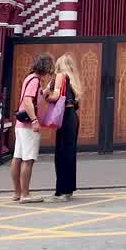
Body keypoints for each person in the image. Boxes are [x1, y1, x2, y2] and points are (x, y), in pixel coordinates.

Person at [11, 53, 53, 204]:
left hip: (20, 125)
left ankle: (17, 192)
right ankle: (25, 194)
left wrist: (46, 90)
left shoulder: (30, 78)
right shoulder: (35, 80)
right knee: (28, 160)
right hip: (28, 125)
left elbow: (36, 98)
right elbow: (29, 101)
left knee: (18, 157)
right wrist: (35, 120)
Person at [45, 53, 83, 201]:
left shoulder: (61, 76)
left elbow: (55, 97)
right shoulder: (73, 80)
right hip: (72, 116)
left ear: (59, 65)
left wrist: (45, 98)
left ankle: (60, 192)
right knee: (69, 153)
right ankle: (68, 190)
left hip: (65, 116)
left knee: (60, 154)